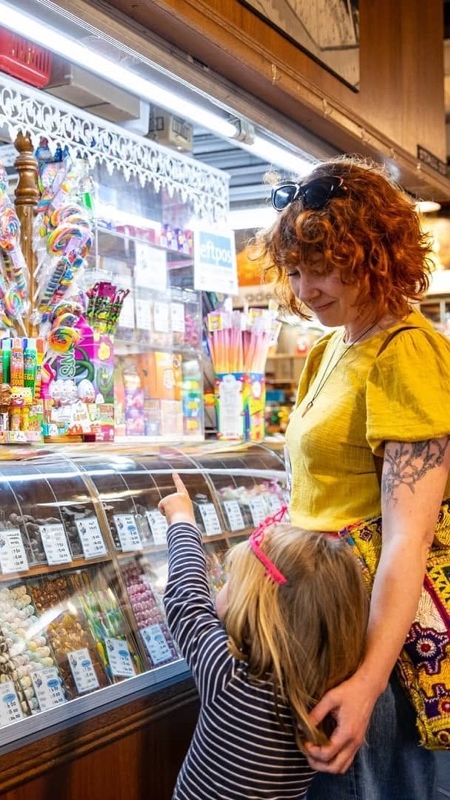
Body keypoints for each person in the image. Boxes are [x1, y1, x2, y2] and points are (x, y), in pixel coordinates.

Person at [251, 155, 450, 799]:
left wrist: (366, 684)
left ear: (374, 253)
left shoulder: (406, 352)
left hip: (375, 639)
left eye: (323, 267)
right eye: (296, 271)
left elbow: (407, 541)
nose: (306, 289)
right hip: (323, 619)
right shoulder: (328, 349)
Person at [159, 473, 368, 800]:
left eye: (232, 580)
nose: (223, 587)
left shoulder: (230, 677)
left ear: (261, 609)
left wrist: (181, 519)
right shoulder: (323, 698)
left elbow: (187, 601)